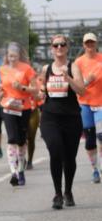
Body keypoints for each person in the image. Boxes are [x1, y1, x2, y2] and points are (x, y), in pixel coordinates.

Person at [39, 36, 85, 208]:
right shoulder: (46, 68)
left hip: (71, 118)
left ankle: (68, 191)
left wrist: (69, 79)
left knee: (69, 157)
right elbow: (41, 89)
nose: (59, 47)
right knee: (55, 151)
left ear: (67, 48)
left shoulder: (74, 67)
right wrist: (41, 92)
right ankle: (57, 194)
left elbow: (82, 90)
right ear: (51, 48)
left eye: (62, 44)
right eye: (55, 45)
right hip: (50, 117)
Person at [0, 43, 39, 186]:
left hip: (23, 107)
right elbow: (1, 87)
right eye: (10, 56)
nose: (12, 58)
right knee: (12, 138)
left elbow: (36, 90)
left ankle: (21, 169)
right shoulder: (2, 70)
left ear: (19, 56)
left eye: (15, 56)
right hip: (8, 107)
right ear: (7, 56)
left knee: (22, 141)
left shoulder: (27, 69)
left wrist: (22, 87)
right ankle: (13, 172)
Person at [73, 32, 102, 183]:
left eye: (92, 43)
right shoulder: (78, 62)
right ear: (83, 45)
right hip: (84, 104)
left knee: (101, 137)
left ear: (96, 44)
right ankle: (95, 170)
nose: (90, 45)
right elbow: (76, 86)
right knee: (90, 140)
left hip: (101, 104)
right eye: (87, 43)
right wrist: (87, 80)